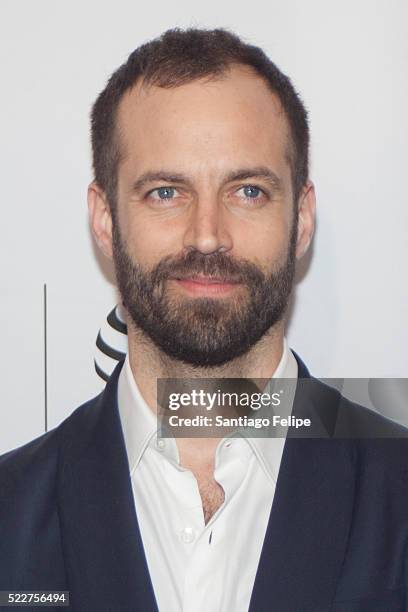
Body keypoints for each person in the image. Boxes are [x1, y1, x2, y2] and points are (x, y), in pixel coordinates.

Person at [0, 27, 407, 612]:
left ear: (303, 217)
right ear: (105, 219)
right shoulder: (11, 515)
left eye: (247, 191)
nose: (208, 234)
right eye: (166, 193)